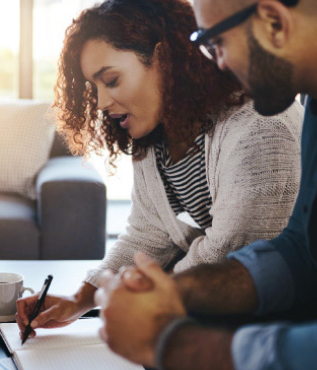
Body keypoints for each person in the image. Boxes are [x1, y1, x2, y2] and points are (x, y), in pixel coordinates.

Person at [17, 0, 303, 340]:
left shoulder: (260, 129)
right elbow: (146, 236)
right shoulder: (155, 136)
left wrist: (133, 298)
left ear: (165, 59)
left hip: (266, 336)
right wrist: (80, 299)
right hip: (206, 320)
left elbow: (229, 256)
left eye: (111, 80)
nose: (101, 103)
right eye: (94, 87)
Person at [94, 0, 317, 369]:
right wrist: (175, 291)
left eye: (216, 42)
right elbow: (301, 254)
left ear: (273, 21)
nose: (218, 63)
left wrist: (170, 343)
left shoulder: (263, 128)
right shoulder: (311, 102)